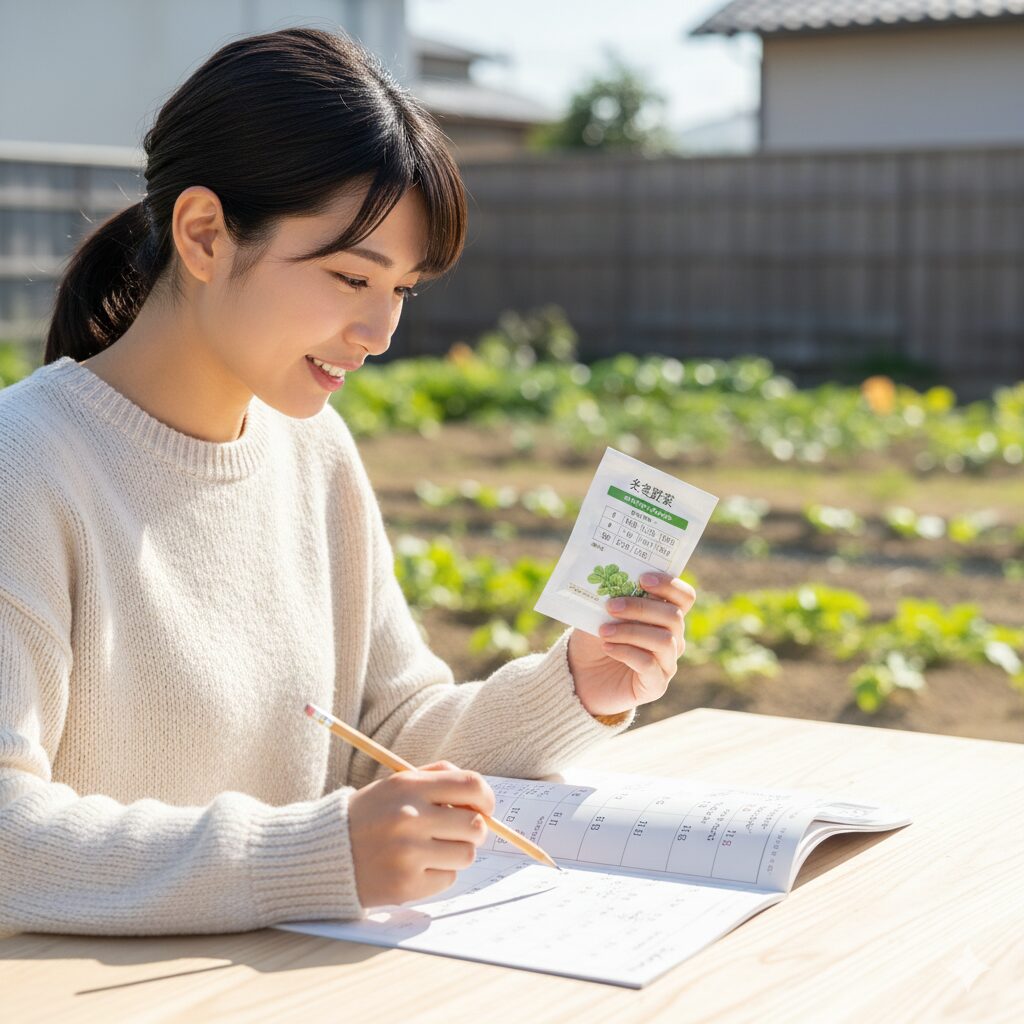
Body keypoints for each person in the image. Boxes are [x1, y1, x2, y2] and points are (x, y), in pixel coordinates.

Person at [0, 27, 695, 937]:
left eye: (403, 290)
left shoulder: (314, 449)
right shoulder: (26, 465)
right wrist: (310, 857)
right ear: (203, 234)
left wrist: (579, 685)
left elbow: (391, 733)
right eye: (348, 276)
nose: (379, 332)